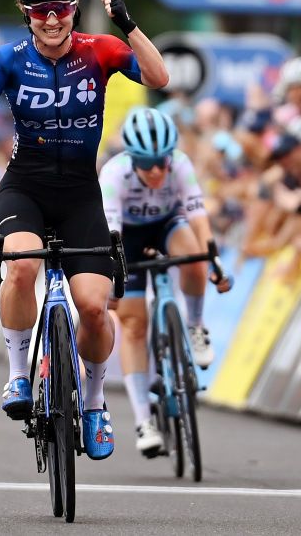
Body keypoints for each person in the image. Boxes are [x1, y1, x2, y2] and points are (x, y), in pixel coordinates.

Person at [0, 0, 169, 460]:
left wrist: (130, 25)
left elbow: (158, 77)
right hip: (25, 188)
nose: (51, 19)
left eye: (60, 8)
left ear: (74, 8)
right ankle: (16, 375)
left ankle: (95, 404)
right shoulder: (10, 58)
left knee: (96, 309)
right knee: (21, 267)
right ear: (23, 11)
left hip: (80, 192)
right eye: (39, 10)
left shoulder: (100, 50)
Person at [99, 108, 231, 455]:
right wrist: (114, 276)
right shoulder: (114, 174)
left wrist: (212, 260)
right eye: (147, 163)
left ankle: (195, 326)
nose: (157, 171)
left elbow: (199, 218)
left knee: (194, 256)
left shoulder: (182, 164)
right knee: (133, 326)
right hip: (125, 237)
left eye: (162, 162)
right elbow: (111, 233)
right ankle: (144, 420)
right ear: (132, 158)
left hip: (167, 225)